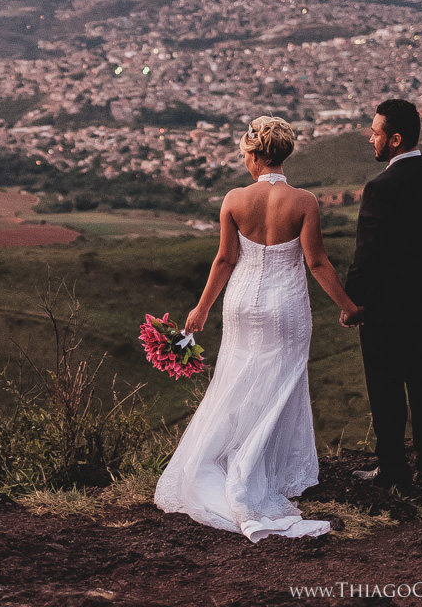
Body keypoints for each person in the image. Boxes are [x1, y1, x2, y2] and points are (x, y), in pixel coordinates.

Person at [154, 116, 363, 542]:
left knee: (237, 382)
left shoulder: (234, 199)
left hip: (242, 305)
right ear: (283, 155)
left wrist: (201, 309)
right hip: (286, 307)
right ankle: (256, 474)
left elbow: (225, 260)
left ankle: (226, 466)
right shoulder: (304, 201)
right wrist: (348, 307)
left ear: (252, 154)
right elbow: (317, 263)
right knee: (280, 385)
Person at [345, 99, 422, 492]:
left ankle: (393, 469)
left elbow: (368, 254)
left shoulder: (380, 188)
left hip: (383, 309)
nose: (370, 139)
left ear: (395, 139)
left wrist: (351, 303)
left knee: (386, 388)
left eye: (376, 133)